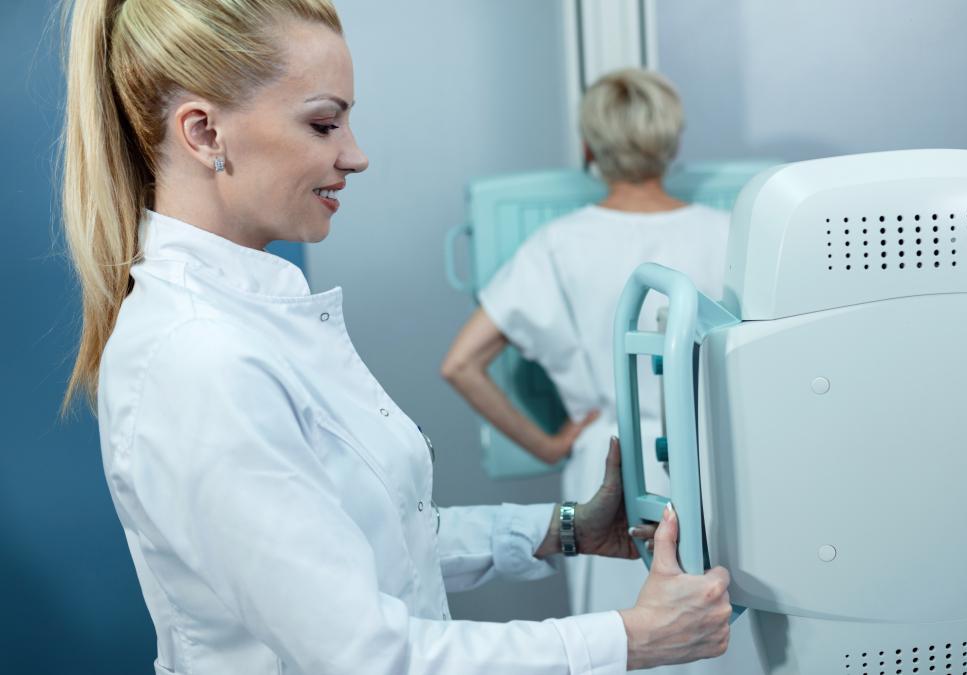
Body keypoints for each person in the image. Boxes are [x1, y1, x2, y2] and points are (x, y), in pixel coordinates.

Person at [59, 1, 731, 673]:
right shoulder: (200, 358)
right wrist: (634, 638)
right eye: (324, 123)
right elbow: (369, 656)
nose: (356, 155)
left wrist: (567, 527)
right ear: (205, 133)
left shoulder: (252, 323)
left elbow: (382, 541)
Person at [442, 69, 757, 674]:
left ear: (589, 148)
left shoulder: (559, 244)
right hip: (718, 463)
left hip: (610, 468)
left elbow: (461, 363)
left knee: (619, 646)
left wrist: (549, 444)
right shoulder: (729, 236)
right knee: (723, 636)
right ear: (672, 141)